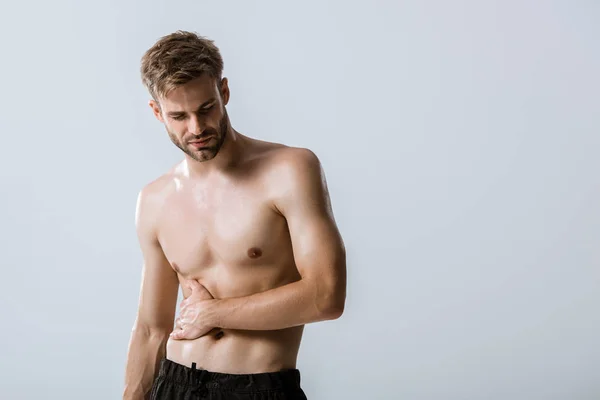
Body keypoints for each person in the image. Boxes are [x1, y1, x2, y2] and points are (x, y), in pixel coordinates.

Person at [122, 30, 346, 400]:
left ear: (223, 92)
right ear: (156, 112)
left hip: (258, 387)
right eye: (179, 116)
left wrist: (212, 314)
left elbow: (326, 296)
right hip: (172, 385)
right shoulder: (154, 200)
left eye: (206, 108)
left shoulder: (289, 171)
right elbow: (151, 329)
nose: (196, 128)